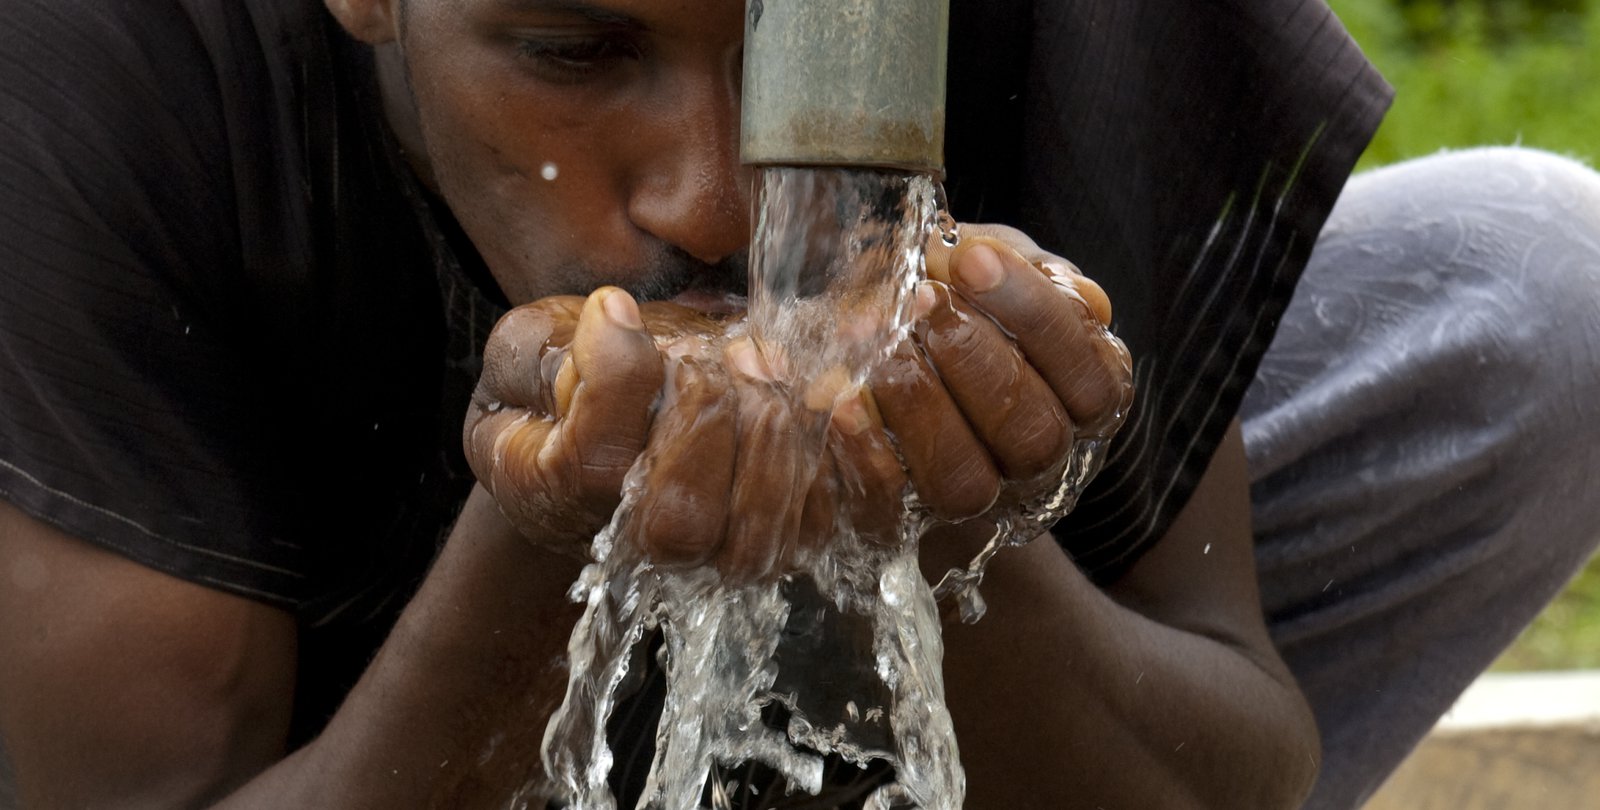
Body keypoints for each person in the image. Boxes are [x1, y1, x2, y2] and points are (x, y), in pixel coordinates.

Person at [1, 0, 1597, 809]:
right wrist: (537, 544)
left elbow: (1233, 764)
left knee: (1536, 281)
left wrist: (952, 529)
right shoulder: (105, 67)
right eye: (571, 47)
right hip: (345, 709)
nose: (713, 198)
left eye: (809, 49)